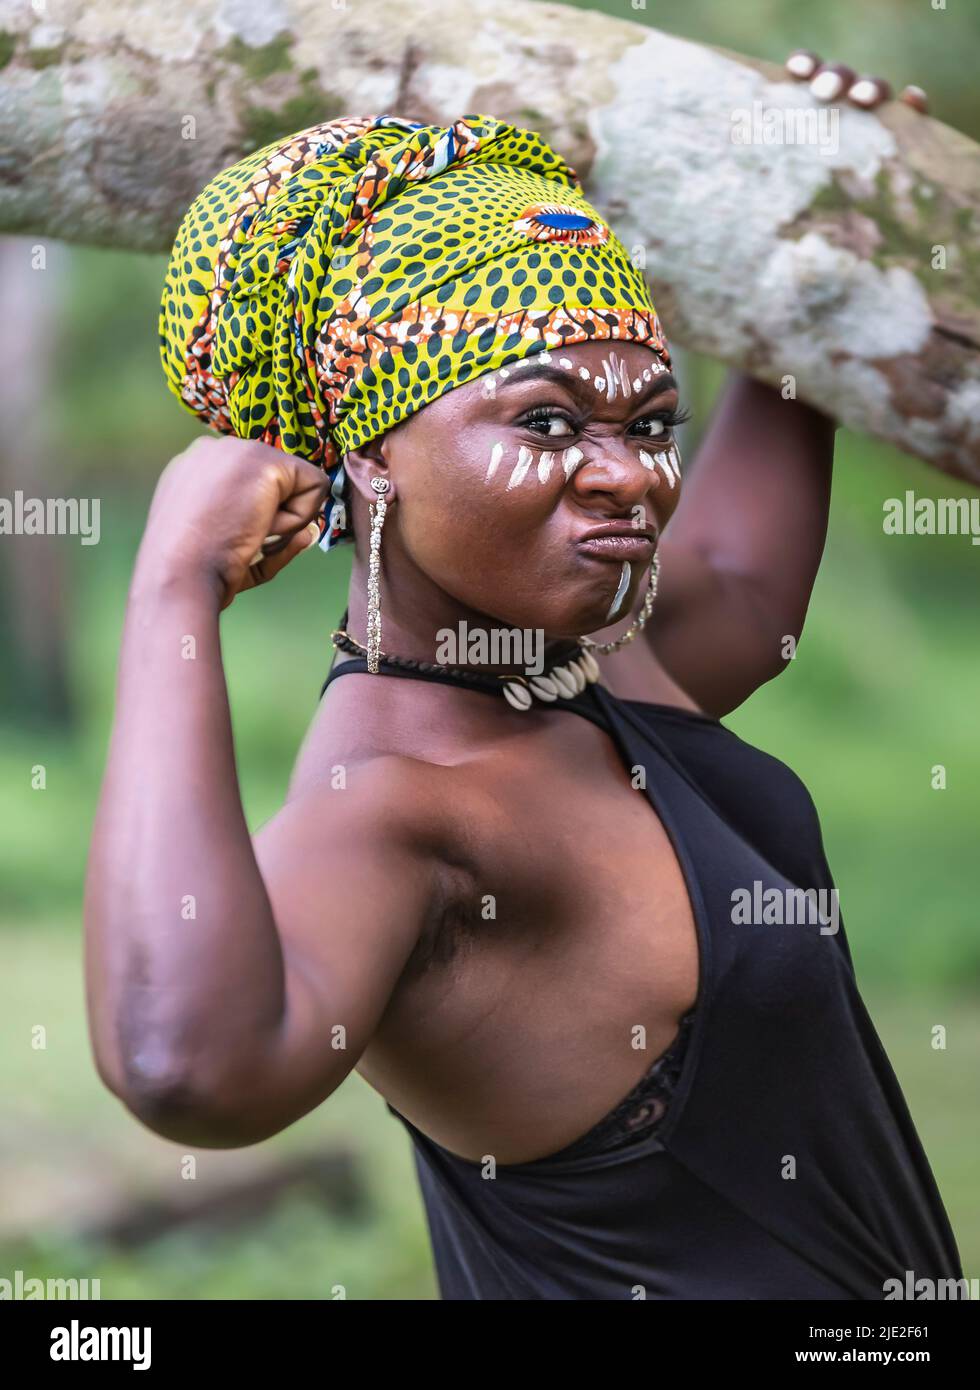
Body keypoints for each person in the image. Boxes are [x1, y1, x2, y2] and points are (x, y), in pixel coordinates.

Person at [85, 112, 963, 1299]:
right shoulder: (396, 813)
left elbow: (746, 587)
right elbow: (182, 1062)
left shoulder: (574, 691)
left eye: (650, 423)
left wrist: (798, 167)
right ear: (372, 455)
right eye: (545, 421)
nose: (625, 475)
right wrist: (171, 588)